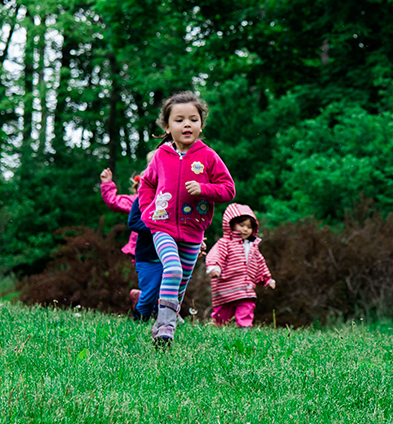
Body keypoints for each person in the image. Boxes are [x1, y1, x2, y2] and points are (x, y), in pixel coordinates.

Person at [137, 91, 235, 345]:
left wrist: (204, 189)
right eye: (179, 120)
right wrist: (148, 212)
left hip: (193, 232)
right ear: (167, 126)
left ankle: (170, 313)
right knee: (172, 268)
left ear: (201, 124)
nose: (187, 124)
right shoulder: (160, 156)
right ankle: (164, 327)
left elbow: (228, 189)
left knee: (180, 282)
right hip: (163, 227)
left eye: (193, 119)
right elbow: (146, 184)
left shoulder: (208, 156)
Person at [206, 204, 275, 327]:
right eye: (241, 225)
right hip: (225, 287)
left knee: (247, 305)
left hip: (245, 287)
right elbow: (216, 255)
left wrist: (267, 279)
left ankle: (244, 329)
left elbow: (260, 264)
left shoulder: (252, 247)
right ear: (231, 224)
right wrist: (214, 268)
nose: (245, 230)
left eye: (249, 227)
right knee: (222, 314)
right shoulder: (225, 243)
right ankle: (215, 327)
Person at [99, 167, 142, 305]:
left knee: (171, 278)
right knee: (152, 282)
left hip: (166, 246)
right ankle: (146, 304)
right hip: (142, 250)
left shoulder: (171, 200)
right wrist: (107, 184)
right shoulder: (139, 201)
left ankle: (161, 309)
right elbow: (115, 202)